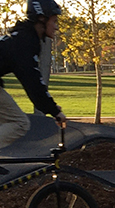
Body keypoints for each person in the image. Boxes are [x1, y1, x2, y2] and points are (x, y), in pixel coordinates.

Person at [0, 0, 67, 152]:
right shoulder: (25, 43)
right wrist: (54, 111)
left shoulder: (19, 37)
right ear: (42, 19)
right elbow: (33, 83)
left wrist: (50, 107)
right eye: (54, 21)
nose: (56, 27)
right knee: (19, 123)